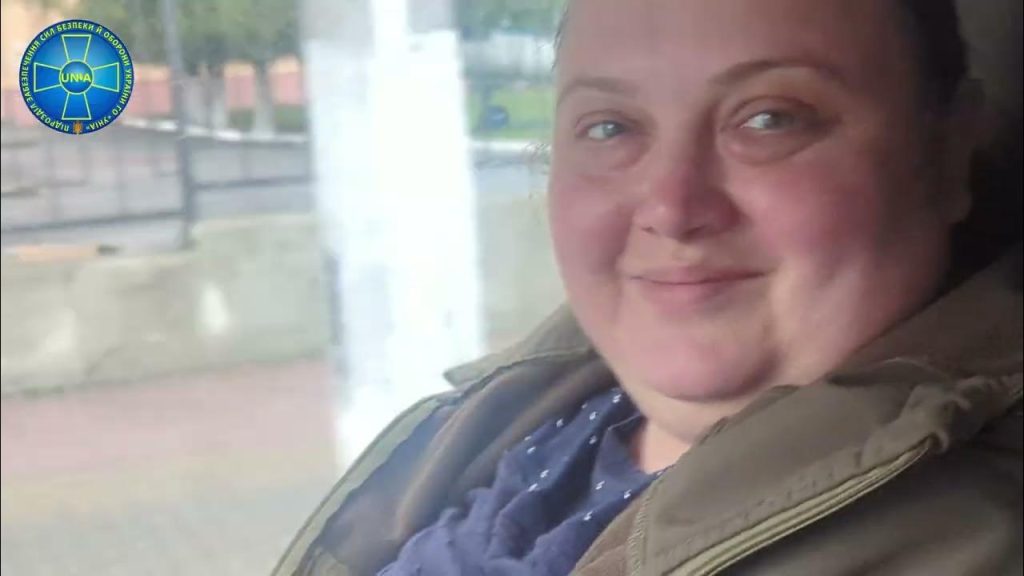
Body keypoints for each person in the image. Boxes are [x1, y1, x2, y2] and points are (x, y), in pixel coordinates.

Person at [275, 0, 1022, 574]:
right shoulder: (523, 409)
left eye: (770, 119)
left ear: (948, 154)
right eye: (609, 127)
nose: (671, 205)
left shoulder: (975, 533)